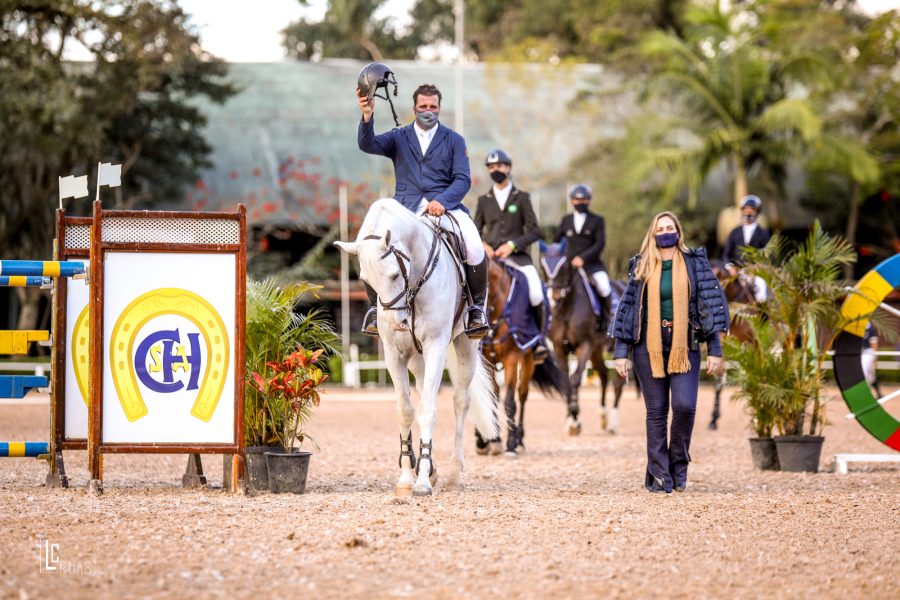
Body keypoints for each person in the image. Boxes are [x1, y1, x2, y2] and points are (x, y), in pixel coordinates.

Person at [356, 81, 489, 339]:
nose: (429, 110)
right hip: (405, 211)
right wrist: (367, 115)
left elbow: (463, 179)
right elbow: (367, 144)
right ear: (414, 108)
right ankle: (374, 309)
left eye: (433, 106)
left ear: (440, 108)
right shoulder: (398, 137)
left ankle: (475, 309)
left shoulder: (454, 140)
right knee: (367, 245)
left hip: (445, 208)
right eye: (423, 106)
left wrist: (443, 200)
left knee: (474, 246)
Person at [611, 211, 729, 494]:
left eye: (670, 227)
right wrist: (620, 351)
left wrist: (714, 349)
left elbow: (709, 305)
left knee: (685, 407)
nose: (665, 232)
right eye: (660, 228)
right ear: (652, 234)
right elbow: (627, 310)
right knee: (656, 412)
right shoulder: (641, 266)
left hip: (684, 345)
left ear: (678, 231)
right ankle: (660, 473)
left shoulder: (693, 263)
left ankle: (679, 464)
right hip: (646, 348)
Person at [474, 149, 548, 361]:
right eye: (491, 167)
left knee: (536, 291)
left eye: (499, 166)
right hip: (491, 261)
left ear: (508, 168)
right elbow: (475, 231)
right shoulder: (483, 200)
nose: (495, 170)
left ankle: (539, 341)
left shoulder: (522, 198)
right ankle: (474, 336)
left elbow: (535, 231)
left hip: (518, 258)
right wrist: (483, 245)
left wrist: (513, 245)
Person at [553, 184, 612, 330]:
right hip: (569, 267)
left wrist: (583, 258)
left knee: (604, 287)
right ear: (572, 201)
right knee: (553, 289)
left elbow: (600, 244)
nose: (580, 203)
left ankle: (605, 320)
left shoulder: (597, 220)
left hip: (591, 264)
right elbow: (556, 241)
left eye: (584, 200)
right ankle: (556, 321)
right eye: (577, 200)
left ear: (589, 201)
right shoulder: (565, 220)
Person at [722, 194, 770, 303]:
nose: (748, 212)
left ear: (757, 212)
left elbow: (769, 256)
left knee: (761, 288)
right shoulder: (734, 232)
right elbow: (726, 254)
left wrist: (756, 268)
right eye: (746, 209)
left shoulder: (763, 234)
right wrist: (730, 268)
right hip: (736, 272)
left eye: (752, 209)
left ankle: (762, 314)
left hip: (755, 272)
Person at [862, 322, 883, 397]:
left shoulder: (870, 328)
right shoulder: (856, 326)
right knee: (871, 376)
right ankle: (878, 393)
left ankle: (865, 393)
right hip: (858, 353)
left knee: (863, 372)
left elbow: (874, 343)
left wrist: (874, 357)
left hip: (867, 352)